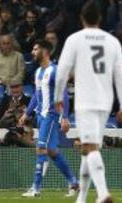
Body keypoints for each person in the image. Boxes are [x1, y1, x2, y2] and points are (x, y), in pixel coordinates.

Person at [54, 2, 122, 203]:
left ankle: (103, 193)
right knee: (89, 148)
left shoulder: (75, 39)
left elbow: (62, 72)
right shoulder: (112, 41)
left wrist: (57, 97)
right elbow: (120, 76)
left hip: (86, 100)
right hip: (105, 101)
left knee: (90, 147)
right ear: (101, 19)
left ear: (82, 18)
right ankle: (83, 198)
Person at [19, 40, 78, 197]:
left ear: (45, 52)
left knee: (41, 147)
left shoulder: (55, 71)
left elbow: (64, 93)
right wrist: (27, 113)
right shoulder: (38, 72)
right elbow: (36, 95)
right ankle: (74, 183)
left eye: (35, 49)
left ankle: (36, 188)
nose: (32, 52)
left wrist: (65, 117)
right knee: (52, 151)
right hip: (40, 116)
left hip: (50, 116)